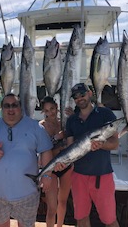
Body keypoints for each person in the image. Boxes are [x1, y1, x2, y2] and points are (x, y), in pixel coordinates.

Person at [0, 93, 53, 227]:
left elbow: (46, 150)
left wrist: (47, 174)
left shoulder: (35, 127)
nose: (11, 109)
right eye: (6, 106)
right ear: (1, 109)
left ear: (20, 107)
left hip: (27, 195)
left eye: (14, 105)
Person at [56, 83, 120, 227]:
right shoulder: (72, 121)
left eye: (82, 95)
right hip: (79, 177)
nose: (80, 99)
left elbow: (115, 143)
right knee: (81, 219)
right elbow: (70, 148)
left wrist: (102, 145)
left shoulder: (105, 114)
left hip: (102, 176)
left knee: (110, 220)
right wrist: (62, 163)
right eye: (76, 97)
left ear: (90, 93)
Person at [39, 96, 73, 227]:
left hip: (66, 167)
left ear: (57, 108)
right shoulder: (41, 126)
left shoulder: (64, 122)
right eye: (47, 111)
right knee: (52, 207)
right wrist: (57, 137)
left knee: (63, 202)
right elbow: (42, 149)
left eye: (52, 109)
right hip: (50, 168)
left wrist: (74, 116)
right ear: (44, 112)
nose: (50, 112)